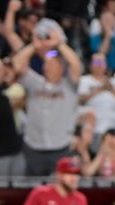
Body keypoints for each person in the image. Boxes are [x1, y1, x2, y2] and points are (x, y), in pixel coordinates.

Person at [13, 29, 81, 177]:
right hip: (34, 147)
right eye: (46, 63)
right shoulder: (35, 83)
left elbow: (76, 65)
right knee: (33, 189)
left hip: (60, 147)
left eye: (52, 64)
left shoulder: (68, 86)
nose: (47, 66)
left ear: (61, 68)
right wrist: (34, 46)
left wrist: (59, 44)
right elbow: (17, 65)